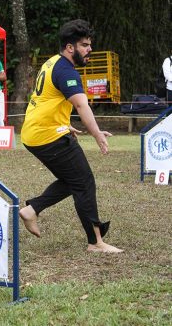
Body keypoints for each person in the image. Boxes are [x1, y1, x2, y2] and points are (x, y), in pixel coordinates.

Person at [19, 19, 123, 253]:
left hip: (37, 133)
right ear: (70, 47)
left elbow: (47, 100)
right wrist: (96, 134)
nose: (89, 50)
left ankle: (32, 209)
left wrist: (63, 124)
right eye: (84, 45)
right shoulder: (66, 71)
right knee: (84, 181)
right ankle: (95, 242)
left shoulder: (52, 62)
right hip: (46, 136)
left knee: (73, 180)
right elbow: (82, 106)